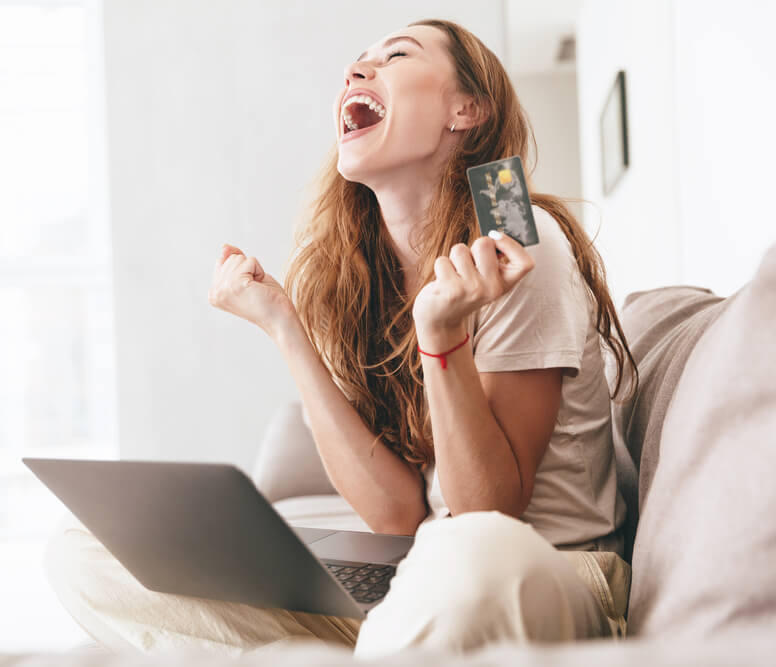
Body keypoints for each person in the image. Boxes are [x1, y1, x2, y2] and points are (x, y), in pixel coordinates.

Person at [44, 18, 639, 659]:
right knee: (88, 553)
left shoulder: (518, 242)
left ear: (465, 109)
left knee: (466, 556)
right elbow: (396, 517)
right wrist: (283, 325)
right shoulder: (357, 274)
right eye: (357, 63)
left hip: (538, 570)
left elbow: (486, 515)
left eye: (396, 56)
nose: (356, 72)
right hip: (419, 572)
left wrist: (439, 335)